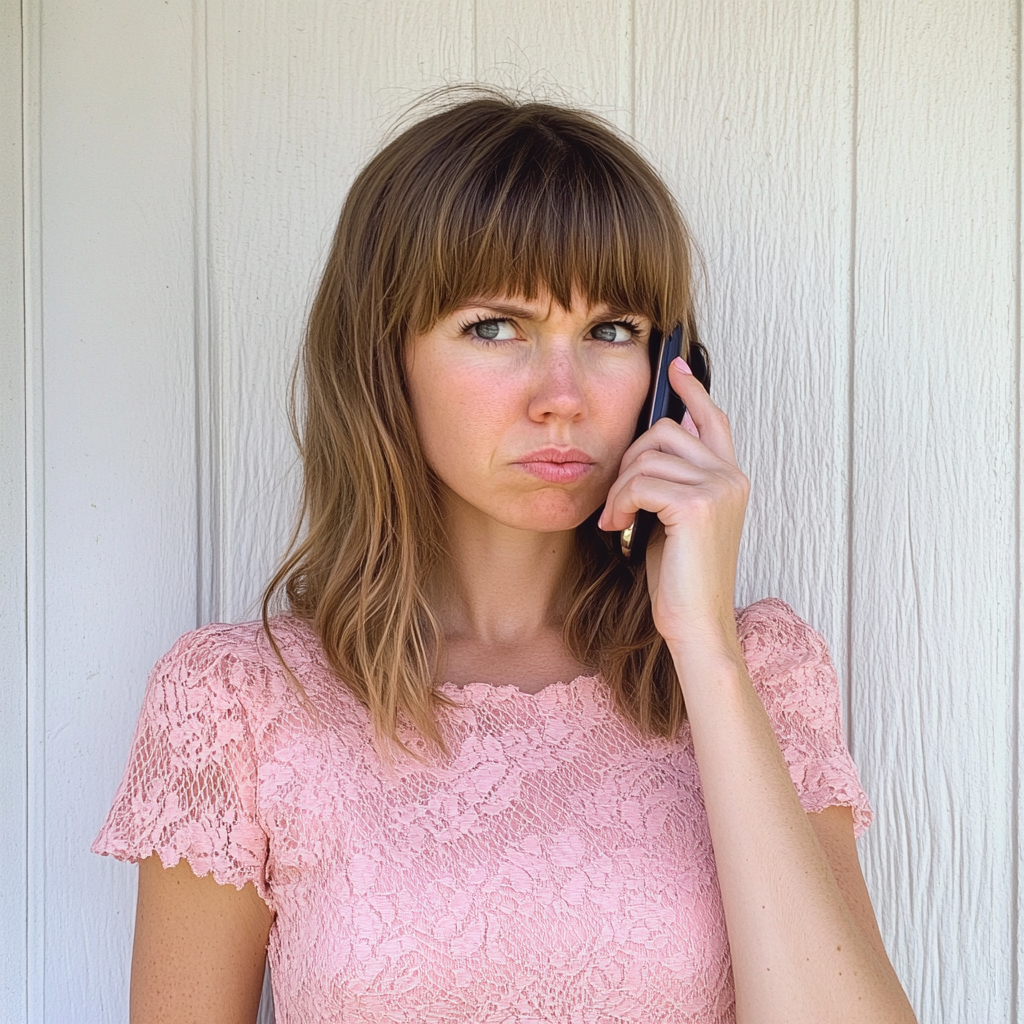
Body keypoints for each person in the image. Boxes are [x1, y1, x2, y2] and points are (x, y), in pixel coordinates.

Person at [93, 89, 918, 1024]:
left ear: (670, 377)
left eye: (613, 331)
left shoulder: (760, 671)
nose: (561, 395)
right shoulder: (239, 699)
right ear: (382, 360)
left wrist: (703, 647)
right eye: (495, 328)